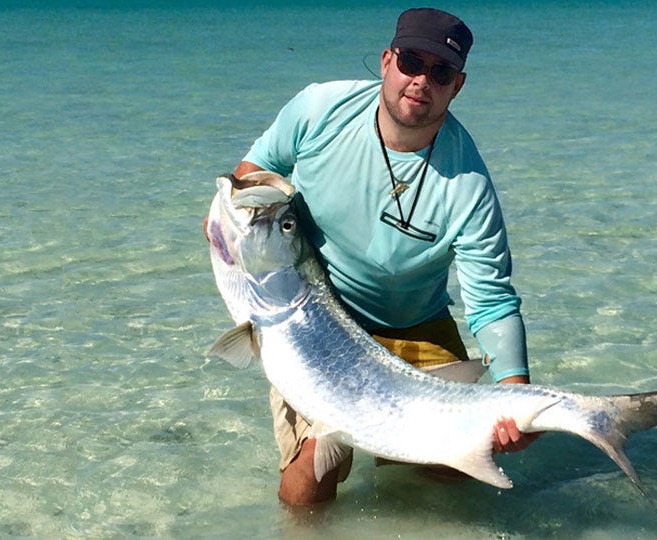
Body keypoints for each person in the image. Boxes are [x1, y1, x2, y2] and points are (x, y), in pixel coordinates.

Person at [230, 7, 537, 505]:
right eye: (412, 62)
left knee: (461, 460)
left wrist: (515, 391)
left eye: (441, 72)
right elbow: (252, 173)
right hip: (316, 318)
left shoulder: (469, 186)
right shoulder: (319, 110)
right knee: (311, 477)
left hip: (416, 322)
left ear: (457, 86)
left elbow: (491, 301)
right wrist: (234, 218)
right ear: (387, 61)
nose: (422, 81)